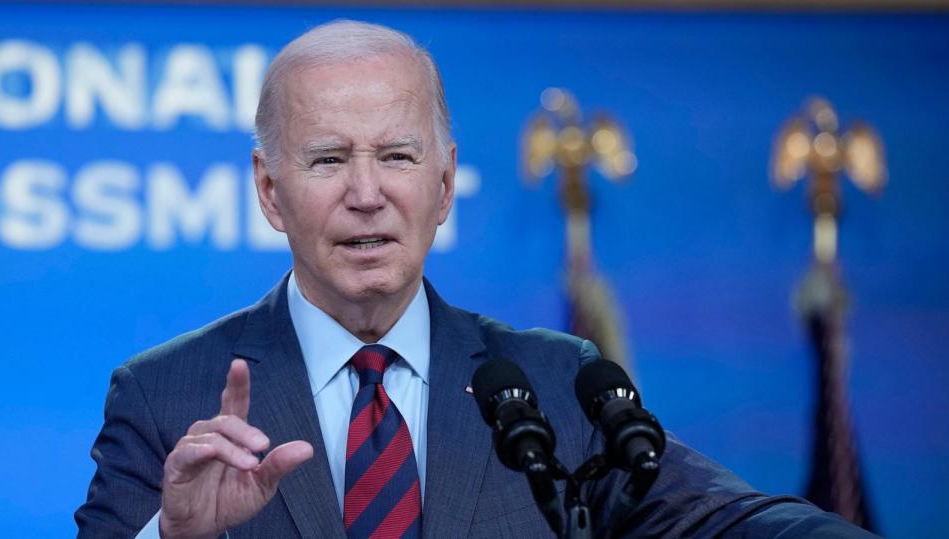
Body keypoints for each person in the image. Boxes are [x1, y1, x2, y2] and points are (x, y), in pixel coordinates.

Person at [75, 20, 877, 539]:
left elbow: (721, 518)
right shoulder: (164, 397)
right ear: (269, 190)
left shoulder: (558, 382)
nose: (366, 192)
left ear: (445, 184)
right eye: (328, 159)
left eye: (396, 155)